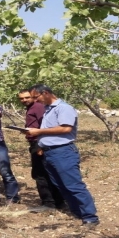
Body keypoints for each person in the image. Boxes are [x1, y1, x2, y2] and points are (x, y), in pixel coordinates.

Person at [25, 84, 100, 227]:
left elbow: (66, 128)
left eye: (36, 97)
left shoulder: (64, 108)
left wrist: (38, 132)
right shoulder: (48, 109)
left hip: (62, 152)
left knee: (73, 185)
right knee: (60, 185)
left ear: (46, 93)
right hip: (49, 152)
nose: (35, 100)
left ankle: (90, 217)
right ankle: (77, 212)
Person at [17, 89, 66, 210]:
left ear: (33, 97)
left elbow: (45, 125)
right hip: (37, 142)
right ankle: (57, 202)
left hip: (39, 143)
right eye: (21, 98)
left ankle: (49, 203)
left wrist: (39, 145)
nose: (24, 100)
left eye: (27, 97)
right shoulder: (32, 107)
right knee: (46, 173)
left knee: (41, 174)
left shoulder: (38, 107)